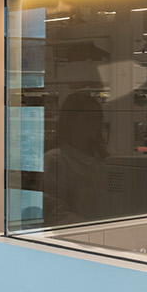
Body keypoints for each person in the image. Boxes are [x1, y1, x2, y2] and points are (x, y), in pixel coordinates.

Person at [42, 93, 110, 225]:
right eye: (88, 119)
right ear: (71, 121)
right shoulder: (56, 160)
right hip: (75, 233)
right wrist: (90, 228)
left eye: (97, 119)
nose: (95, 124)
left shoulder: (105, 156)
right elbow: (56, 212)